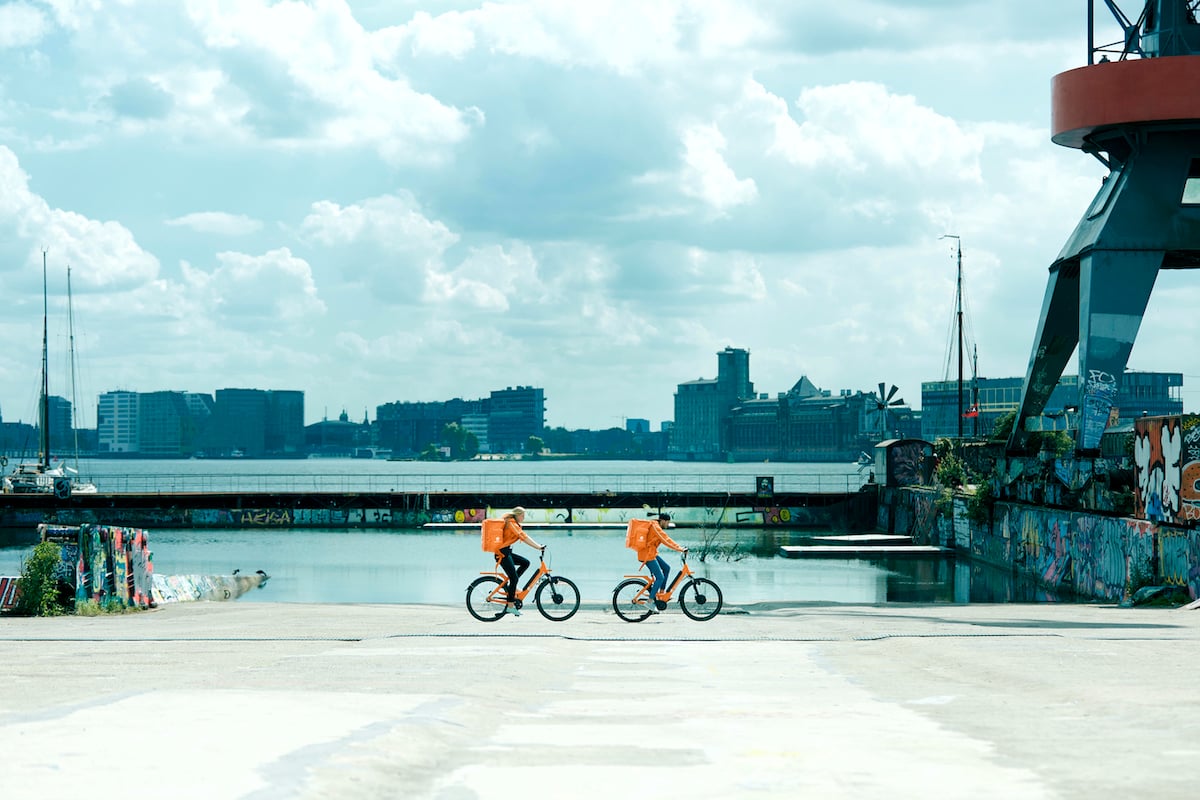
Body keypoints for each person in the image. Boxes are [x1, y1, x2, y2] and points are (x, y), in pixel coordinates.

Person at [497, 506, 544, 614]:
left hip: (506, 552)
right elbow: (523, 536)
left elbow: (523, 536)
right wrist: (538, 547)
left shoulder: (513, 523)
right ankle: (510, 605)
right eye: (522, 516)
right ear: (517, 515)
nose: (523, 518)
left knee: (525, 563)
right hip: (502, 553)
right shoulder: (511, 523)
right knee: (514, 578)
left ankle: (511, 588)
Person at [637, 512, 686, 611]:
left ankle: (661, 594)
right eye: (667, 522)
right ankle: (650, 601)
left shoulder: (656, 526)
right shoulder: (656, 527)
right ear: (663, 521)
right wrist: (680, 549)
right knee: (660, 577)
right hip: (647, 555)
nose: (668, 525)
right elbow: (666, 540)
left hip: (651, 553)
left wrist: (680, 548)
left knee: (666, 568)